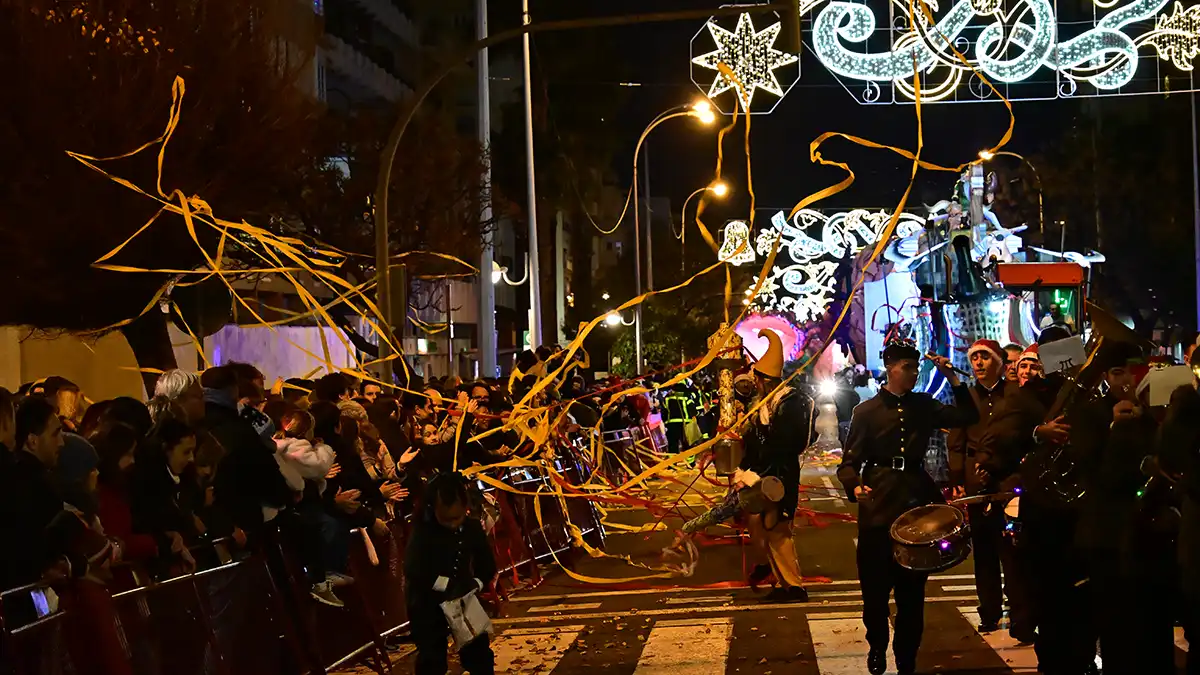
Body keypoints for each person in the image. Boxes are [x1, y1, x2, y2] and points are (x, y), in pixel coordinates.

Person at [838, 340, 978, 675]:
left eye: (917, 368)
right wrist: (854, 485)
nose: (914, 374)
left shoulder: (924, 405)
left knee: (912, 595)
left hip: (916, 501)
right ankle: (876, 645)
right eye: (908, 368)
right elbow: (848, 463)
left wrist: (954, 380)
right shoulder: (866, 411)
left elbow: (967, 416)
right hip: (878, 504)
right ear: (891, 367)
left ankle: (906, 659)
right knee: (874, 594)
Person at [947, 339, 1032, 640]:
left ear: (999, 361)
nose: (979, 363)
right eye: (975, 358)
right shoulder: (967, 397)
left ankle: (1021, 616)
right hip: (975, 482)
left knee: (1013, 550)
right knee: (983, 551)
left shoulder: (1015, 395)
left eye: (985, 357)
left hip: (1009, 482)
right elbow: (956, 441)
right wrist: (957, 477)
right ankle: (989, 612)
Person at [736, 329, 813, 603]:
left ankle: (794, 587)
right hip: (762, 475)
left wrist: (764, 426)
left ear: (765, 380)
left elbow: (784, 444)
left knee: (779, 530)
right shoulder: (764, 405)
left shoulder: (790, 403)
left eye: (757, 379)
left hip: (781, 475)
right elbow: (755, 444)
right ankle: (783, 582)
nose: (753, 384)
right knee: (769, 530)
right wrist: (744, 468)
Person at [405, 473, 497, 675]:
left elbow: (487, 565)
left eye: (458, 517)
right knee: (432, 659)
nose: (453, 524)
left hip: (463, 596)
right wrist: (446, 585)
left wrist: (475, 583)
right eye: (447, 519)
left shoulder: (471, 527)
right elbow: (414, 570)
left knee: (479, 653)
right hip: (426, 600)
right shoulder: (423, 531)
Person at [663, 383, 697, 457]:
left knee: (673, 445)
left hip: (671, 424)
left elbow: (664, 411)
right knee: (688, 444)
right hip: (685, 424)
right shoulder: (687, 397)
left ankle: (672, 464)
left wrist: (665, 422)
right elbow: (693, 410)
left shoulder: (667, 398)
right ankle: (690, 463)